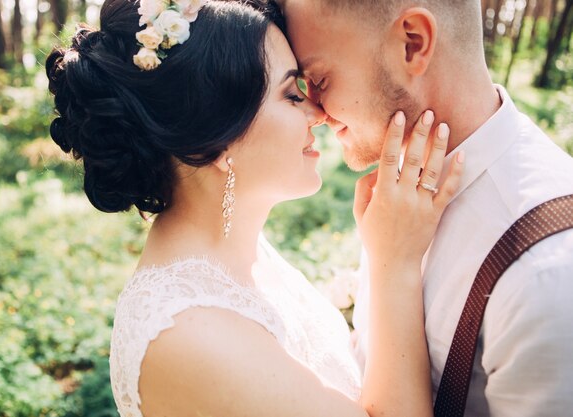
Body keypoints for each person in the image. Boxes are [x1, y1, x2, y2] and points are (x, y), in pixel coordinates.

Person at [44, 0, 464, 416]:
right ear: (214, 139)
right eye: (289, 94)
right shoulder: (190, 334)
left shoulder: (239, 254)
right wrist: (396, 263)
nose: (318, 112)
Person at [277, 0, 573, 415]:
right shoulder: (399, 191)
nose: (318, 114)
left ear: (413, 44)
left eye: (321, 79)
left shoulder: (547, 273)